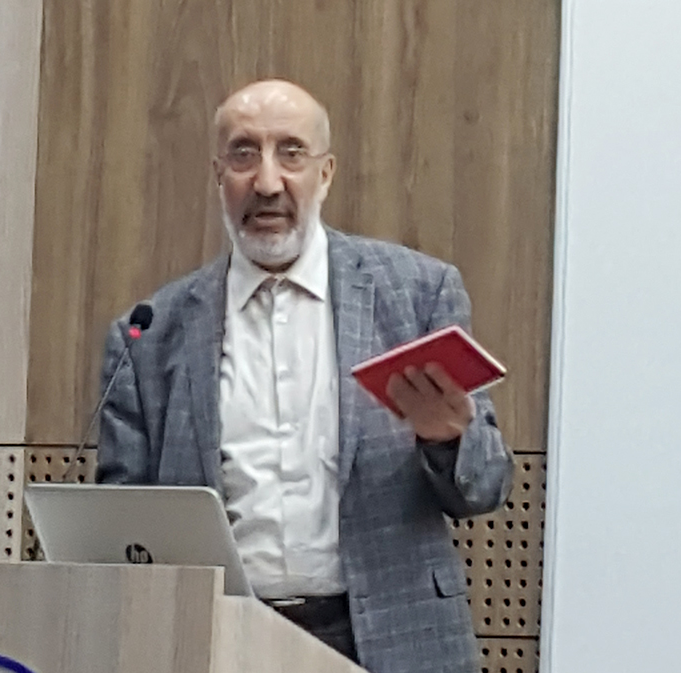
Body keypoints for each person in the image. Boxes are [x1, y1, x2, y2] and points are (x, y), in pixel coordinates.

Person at [97, 79, 513, 673]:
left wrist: (449, 439)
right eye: (244, 154)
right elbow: (121, 533)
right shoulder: (150, 334)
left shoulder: (417, 295)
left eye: (291, 152)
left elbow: (485, 488)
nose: (267, 182)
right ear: (218, 176)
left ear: (325, 173)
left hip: (389, 641)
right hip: (218, 641)